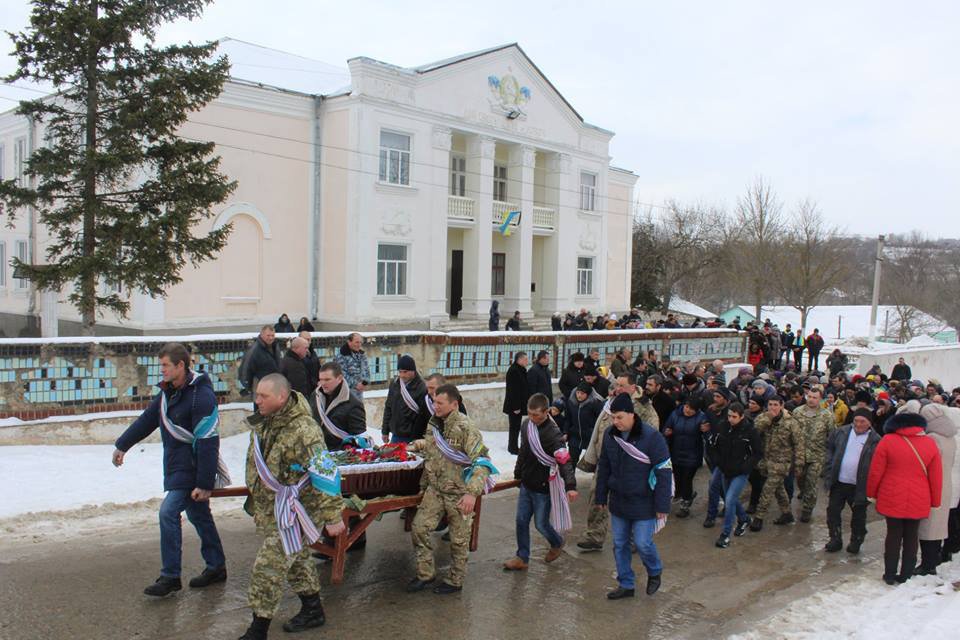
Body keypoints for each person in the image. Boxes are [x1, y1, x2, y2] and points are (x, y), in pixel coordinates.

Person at [112, 343, 228, 597]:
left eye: (165, 365)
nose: (161, 370)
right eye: (160, 365)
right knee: (199, 516)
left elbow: (209, 441)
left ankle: (170, 576)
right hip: (178, 466)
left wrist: (205, 483)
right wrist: (123, 445)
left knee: (168, 513)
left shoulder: (201, 396)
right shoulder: (168, 393)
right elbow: (147, 420)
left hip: (192, 470)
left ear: (181, 366)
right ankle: (217, 565)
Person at [238, 374, 345, 640]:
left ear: (282, 397)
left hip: (298, 511)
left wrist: (333, 515)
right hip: (275, 507)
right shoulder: (267, 421)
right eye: (257, 395)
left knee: (268, 566)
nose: (257, 400)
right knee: (297, 560)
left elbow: (325, 471)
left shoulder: (304, 430)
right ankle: (313, 610)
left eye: (263, 396)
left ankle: (257, 629)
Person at [407, 384, 496, 594]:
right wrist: (417, 445)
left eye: (440, 403)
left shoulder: (466, 428)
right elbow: (432, 446)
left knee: (458, 540)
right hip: (436, 490)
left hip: (459, 493)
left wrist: (471, 493)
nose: (435, 406)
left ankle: (455, 581)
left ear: (454, 405)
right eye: (434, 402)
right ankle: (425, 574)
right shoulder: (434, 424)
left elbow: (483, 462)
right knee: (419, 528)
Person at [595, 392, 672, 599]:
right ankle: (626, 584)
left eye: (619, 417)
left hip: (644, 501)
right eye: (613, 417)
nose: (615, 421)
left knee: (642, 543)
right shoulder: (611, 436)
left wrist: (662, 505)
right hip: (619, 500)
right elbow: (604, 466)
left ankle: (655, 571)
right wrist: (601, 496)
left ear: (631, 415)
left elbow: (664, 471)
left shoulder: (651, 437)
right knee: (619, 544)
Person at [576, 374, 660, 552]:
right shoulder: (611, 402)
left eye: (622, 385)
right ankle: (594, 535)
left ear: (632, 387)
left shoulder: (643, 406)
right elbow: (601, 428)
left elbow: (652, 432)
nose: (618, 388)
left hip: (631, 464)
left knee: (629, 499)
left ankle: (632, 539)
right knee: (596, 496)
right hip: (606, 459)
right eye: (617, 384)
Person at [503, 393, 577, 570]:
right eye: (529, 413)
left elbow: (564, 460)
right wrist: (518, 472)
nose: (532, 418)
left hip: (543, 486)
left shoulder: (553, 433)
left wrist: (571, 485)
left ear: (546, 412)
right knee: (521, 520)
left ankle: (557, 542)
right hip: (527, 482)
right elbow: (524, 451)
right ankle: (522, 557)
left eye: (536, 414)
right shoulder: (526, 425)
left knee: (541, 524)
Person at [868, 411, 943, 584]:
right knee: (912, 535)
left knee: (893, 535)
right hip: (920, 495)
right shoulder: (930, 443)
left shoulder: (888, 440)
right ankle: (906, 574)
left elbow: (875, 471)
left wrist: (872, 493)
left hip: (891, 493)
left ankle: (889, 573)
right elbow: (936, 476)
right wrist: (936, 501)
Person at [822, 408, 881, 554]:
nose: (858, 424)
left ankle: (857, 540)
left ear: (869, 423)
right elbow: (829, 449)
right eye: (856, 421)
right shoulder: (841, 432)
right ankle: (835, 538)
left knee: (858, 516)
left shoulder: (876, 440)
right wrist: (828, 469)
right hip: (839, 482)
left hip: (860, 485)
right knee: (833, 511)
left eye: (863, 421)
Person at [706, 403, 762, 547]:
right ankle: (743, 519)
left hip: (740, 472)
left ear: (741, 416)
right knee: (730, 498)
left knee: (730, 499)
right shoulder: (722, 427)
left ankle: (725, 535)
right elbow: (712, 445)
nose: (731, 419)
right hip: (725, 469)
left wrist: (746, 466)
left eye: (734, 417)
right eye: (729, 416)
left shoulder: (750, 431)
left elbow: (757, 453)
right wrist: (717, 461)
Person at [750, 396, 804, 531]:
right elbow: (754, 431)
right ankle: (787, 513)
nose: (772, 407)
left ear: (782, 405)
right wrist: (768, 418)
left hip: (782, 462)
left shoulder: (791, 423)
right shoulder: (763, 418)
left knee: (767, 489)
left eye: (775, 404)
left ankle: (759, 517)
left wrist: (799, 464)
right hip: (767, 461)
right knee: (779, 489)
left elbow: (799, 444)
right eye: (770, 404)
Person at [916, 403, 957, 574]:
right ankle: (933, 559)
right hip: (947, 484)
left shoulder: (933, 438)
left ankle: (928, 564)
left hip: (933, 485)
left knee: (928, 527)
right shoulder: (950, 437)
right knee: (938, 526)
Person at [792, 386, 837, 522]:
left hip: (817, 455)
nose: (811, 400)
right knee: (800, 479)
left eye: (814, 398)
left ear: (820, 399)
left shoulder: (826, 415)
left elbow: (832, 435)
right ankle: (804, 493)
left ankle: (807, 509)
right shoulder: (797, 412)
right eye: (809, 397)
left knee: (812, 482)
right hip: (800, 455)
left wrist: (830, 455)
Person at [662, 398, 706, 518]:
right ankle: (686, 495)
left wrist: (706, 431)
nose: (688, 410)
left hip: (693, 454)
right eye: (687, 407)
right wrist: (666, 433)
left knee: (687, 479)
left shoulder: (702, 418)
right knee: (678, 479)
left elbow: (707, 435)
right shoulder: (675, 414)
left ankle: (685, 504)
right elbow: (666, 428)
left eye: (691, 409)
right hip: (676, 452)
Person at [311, 361, 366, 450]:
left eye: (327, 380)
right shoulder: (315, 395)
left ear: (339, 378)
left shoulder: (354, 404)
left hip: (340, 457)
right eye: (321, 379)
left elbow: (359, 440)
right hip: (317, 454)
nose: (323, 383)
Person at [381, 355, 427, 444]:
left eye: (405, 372)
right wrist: (385, 431)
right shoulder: (395, 384)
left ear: (413, 371)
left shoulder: (422, 388)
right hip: (396, 435)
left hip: (412, 437)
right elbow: (388, 408)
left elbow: (423, 416)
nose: (402, 375)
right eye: (400, 372)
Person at [564, 382, 603, 467]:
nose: (579, 395)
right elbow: (568, 419)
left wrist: (595, 433)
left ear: (588, 394)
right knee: (571, 461)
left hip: (590, 436)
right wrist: (566, 432)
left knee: (594, 462)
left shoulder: (595, 403)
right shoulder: (571, 402)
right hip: (574, 436)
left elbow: (599, 421)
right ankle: (570, 479)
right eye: (578, 392)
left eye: (582, 393)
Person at [240, 326, 281, 405]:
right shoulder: (254, 350)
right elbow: (245, 369)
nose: (271, 338)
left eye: (272, 335)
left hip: (274, 387)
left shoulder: (275, 347)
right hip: (260, 388)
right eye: (268, 335)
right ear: (262, 335)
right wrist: (249, 386)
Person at [503, 352, 531, 455]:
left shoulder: (520, 370)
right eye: (525, 359)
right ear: (519, 360)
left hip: (519, 404)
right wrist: (516, 406)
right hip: (514, 406)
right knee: (514, 427)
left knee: (516, 426)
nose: (527, 361)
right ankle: (513, 448)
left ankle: (514, 446)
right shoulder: (514, 371)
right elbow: (513, 390)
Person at [334, 332, 370, 401]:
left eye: (360, 342)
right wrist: (356, 384)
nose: (359, 345)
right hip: (347, 393)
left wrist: (365, 383)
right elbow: (341, 374)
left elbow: (366, 369)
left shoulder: (362, 355)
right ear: (349, 342)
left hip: (359, 393)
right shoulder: (341, 356)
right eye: (356, 342)